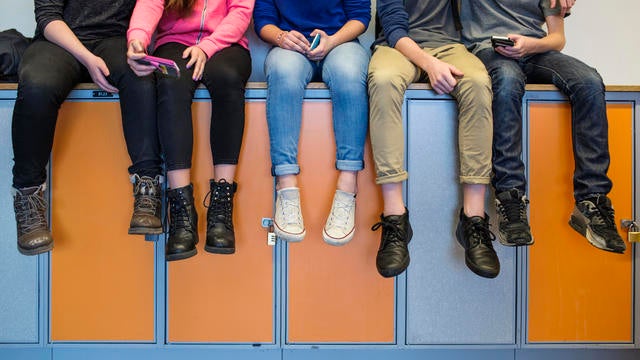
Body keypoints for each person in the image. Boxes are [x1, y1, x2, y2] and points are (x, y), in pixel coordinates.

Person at [460, 0, 626, 254]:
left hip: (536, 50)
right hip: (488, 49)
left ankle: (591, 201)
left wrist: (532, 45)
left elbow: (557, 38)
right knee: (507, 81)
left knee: (589, 82)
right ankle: (510, 198)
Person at [12, 0, 163, 256]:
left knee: (142, 78)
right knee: (36, 87)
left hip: (115, 39)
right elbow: (47, 17)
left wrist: (139, 43)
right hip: (59, 41)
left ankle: (147, 185)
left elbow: (148, 7)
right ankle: (28, 194)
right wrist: (87, 58)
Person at [369, 0, 500, 278]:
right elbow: (393, 27)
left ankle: (473, 220)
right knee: (382, 81)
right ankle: (395, 219)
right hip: (398, 46)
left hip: (450, 46)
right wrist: (429, 64)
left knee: (477, 84)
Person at [127, 0, 253, 260]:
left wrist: (207, 48)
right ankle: (181, 211)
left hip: (226, 44)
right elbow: (149, 5)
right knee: (170, 84)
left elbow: (241, 12)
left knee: (228, 79)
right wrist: (137, 39)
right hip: (174, 42)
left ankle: (221, 206)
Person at [253, 0, 371, 245]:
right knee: (283, 73)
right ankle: (285, 189)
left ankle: (348, 189)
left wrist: (332, 40)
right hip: (291, 48)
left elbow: (360, 16)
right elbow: (263, 21)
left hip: (341, 43)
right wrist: (282, 37)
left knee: (349, 75)